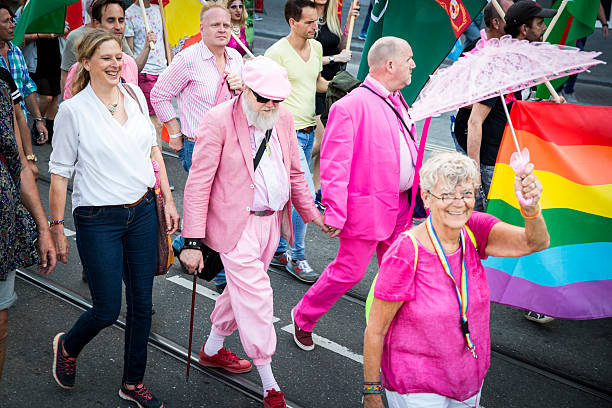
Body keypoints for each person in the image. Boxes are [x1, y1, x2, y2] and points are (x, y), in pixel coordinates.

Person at [179, 56, 328, 408]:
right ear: (245, 89)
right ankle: (269, 381)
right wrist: (192, 241)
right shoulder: (218, 120)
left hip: (271, 223)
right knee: (258, 297)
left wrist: (312, 213)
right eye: (264, 98)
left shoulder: (285, 118)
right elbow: (198, 184)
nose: (271, 106)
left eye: (277, 99)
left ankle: (212, 350)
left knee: (240, 292)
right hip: (235, 227)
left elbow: (296, 172)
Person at [48, 29, 179, 408]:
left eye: (118, 56)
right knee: (106, 308)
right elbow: (58, 176)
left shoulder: (135, 94)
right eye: (105, 58)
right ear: (85, 64)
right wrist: (57, 230)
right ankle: (69, 346)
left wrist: (167, 199)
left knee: (142, 305)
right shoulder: (73, 111)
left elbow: (153, 150)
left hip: (141, 211)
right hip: (96, 219)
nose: (115, 63)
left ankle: (133, 382)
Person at [362, 152, 550, 408]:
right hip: (418, 386)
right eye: (447, 195)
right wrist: (372, 393)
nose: (458, 203)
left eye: (466, 194)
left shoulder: (474, 229)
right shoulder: (406, 251)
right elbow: (376, 329)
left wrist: (530, 208)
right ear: (426, 198)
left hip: (468, 377)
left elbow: (536, 242)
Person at [291, 37, 425, 351]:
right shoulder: (351, 106)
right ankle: (303, 317)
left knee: (401, 271)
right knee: (348, 273)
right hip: (366, 209)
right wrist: (335, 213)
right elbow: (335, 164)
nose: (414, 65)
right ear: (390, 65)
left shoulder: (398, 99)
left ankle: (394, 330)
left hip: (399, 208)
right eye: (410, 59)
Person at [151, 3, 243, 292]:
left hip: (232, 146)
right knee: (214, 205)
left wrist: (243, 88)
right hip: (198, 145)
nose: (222, 29)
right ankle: (222, 275)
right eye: (215, 25)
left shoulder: (237, 59)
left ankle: (182, 242)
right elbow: (159, 94)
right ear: (201, 28)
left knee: (219, 204)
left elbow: (246, 105)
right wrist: (175, 132)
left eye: (226, 25)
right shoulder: (188, 59)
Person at [453, 1, 555, 213]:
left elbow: (514, 103)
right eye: (540, 23)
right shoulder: (497, 65)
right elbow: (474, 120)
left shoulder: (516, 58)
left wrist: (546, 105)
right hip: (490, 157)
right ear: (524, 29)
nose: (544, 28)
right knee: (483, 217)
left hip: (504, 151)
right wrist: (475, 172)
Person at [265, 0, 329, 283]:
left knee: (287, 194)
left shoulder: (316, 48)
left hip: (306, 132)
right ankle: (297, 255)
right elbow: (264, 96)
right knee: (304, 193)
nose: (315, 27)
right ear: (292, 22)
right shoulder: (275, 53)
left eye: (317, 21)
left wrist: (343, 84)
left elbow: (315, 84)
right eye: (309, 22)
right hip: (282, 135)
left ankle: (280, 250)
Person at [0, 64, 56, 380]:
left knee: (0, 326)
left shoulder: (2, 81)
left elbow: (17, 162)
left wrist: (43, 228)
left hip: (2, 229)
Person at [311, 0, 358, 208]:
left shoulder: (331, 17)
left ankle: (314, 193)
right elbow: (305, 57)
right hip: (312, 85)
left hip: (332, 87)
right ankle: (289, 176)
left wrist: (348, 22)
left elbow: (340, 46)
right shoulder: (306, 15)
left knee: (325, 147)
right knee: (316, 143)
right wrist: (334, 58)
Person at [63, 0, 145, 100]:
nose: (118, 27)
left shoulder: (130, 63)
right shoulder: (79, 66)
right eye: (111, 20)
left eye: (121, 20)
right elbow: (69, 101)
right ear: (97, 23)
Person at [0, 5, 49, 149]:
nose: (12, 25)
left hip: (21, 130)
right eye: (6, 21)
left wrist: (39, 120)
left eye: (12, 20)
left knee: (29, 168)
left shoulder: (16, 52)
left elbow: (27, 88)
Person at [125, 0, 167, 147]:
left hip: (163, 71)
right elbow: (129, 51)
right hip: (146, 72)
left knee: (161, 119)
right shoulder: (129, 13)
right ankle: (157, 164)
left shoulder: (158, 8)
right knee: (155, 122)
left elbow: (165, 38)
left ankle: (151, 156)